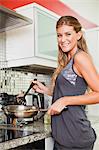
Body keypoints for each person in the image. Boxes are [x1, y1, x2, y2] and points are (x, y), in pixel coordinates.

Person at [32, 16, 99, 150]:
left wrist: (65, 101)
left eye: (68, 34)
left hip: (75, 138)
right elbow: (69, 91)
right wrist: (46, 91)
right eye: (59, 35)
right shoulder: (66, 60)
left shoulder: (80, 57)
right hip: (64, 138)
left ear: (78, 35)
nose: (63, 40)